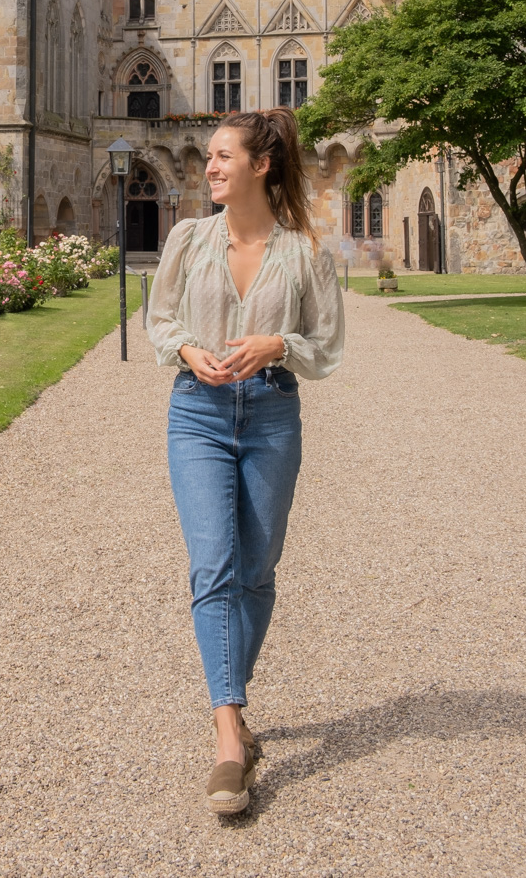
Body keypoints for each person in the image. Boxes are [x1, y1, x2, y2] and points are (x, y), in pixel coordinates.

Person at [146, 107, 344, 815]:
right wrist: (187, 350)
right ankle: (229, 737)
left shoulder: (303, 253)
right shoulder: (188, 238)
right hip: (195, 414)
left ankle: (232, 702)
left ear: (262, 165)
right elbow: (159, 319)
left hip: (270, 413)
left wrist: (277, 345)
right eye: (209, 157)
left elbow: (327, 344)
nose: (211, 167)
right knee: (214, 566)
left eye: (225, 157)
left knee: (257, 573)